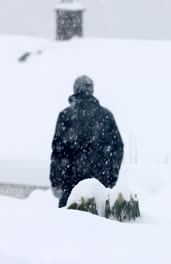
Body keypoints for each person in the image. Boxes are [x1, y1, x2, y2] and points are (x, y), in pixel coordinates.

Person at [50, 75, 124, 208]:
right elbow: (118, 148)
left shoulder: (66, 115)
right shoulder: (106, 116)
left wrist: (56, 182)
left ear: (75, 90)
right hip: (99, 186)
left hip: (70, 186)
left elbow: (58, 152)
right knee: (98, 226)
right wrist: (111, 177)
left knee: (66, 226)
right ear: (92, 91)